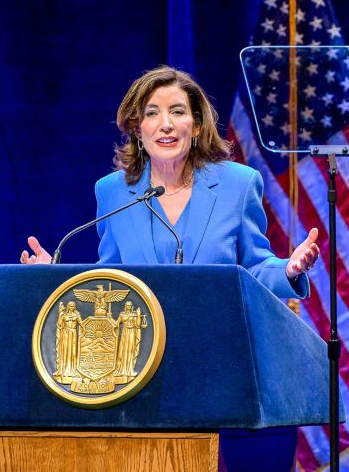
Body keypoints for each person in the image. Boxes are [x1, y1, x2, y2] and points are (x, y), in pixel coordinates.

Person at [21, 66, 320, 471]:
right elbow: (110, 279)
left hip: (220, 370)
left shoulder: (237, 184)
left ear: (196, 125)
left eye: (178, 112)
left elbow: (252, 267)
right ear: (136, 128)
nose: (165, 124)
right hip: (142, 375)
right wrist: (53, 276)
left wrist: (288, 270)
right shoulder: (112, 191)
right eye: (152, 113)